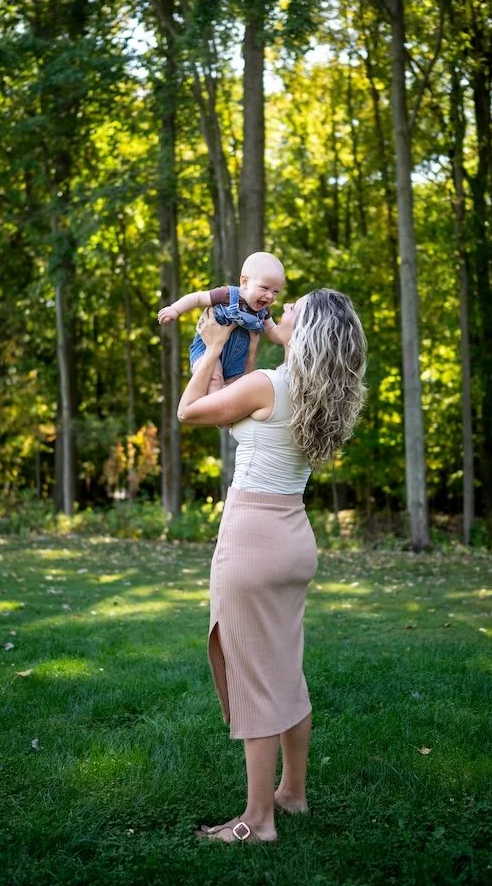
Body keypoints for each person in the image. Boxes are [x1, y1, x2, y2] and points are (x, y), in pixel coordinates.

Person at [177, 288, 368, 844]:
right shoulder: (316, 393)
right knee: (284, 668)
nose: (281, 311)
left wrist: (212, 346)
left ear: (305, 329)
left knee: (253, 676)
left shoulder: (268, 386)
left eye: (292, 309)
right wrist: (239, 357)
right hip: (293, 539)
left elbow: (189, 411)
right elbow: (230, 409)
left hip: (254, 538)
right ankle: (293, 794)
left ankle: (257, 821)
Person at [158, 252, 286, 393]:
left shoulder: (263, 312)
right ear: (244, 282)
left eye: (276, 292)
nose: (270, 296)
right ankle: (212, 410)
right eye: (265, 288)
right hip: (206, 351)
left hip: (236, 364)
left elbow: (271, 330)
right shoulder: (227, 295)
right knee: (215, 379)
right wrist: (175, 310)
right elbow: (198, 299)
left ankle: (224, 411)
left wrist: (289, 336)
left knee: (236, 391)